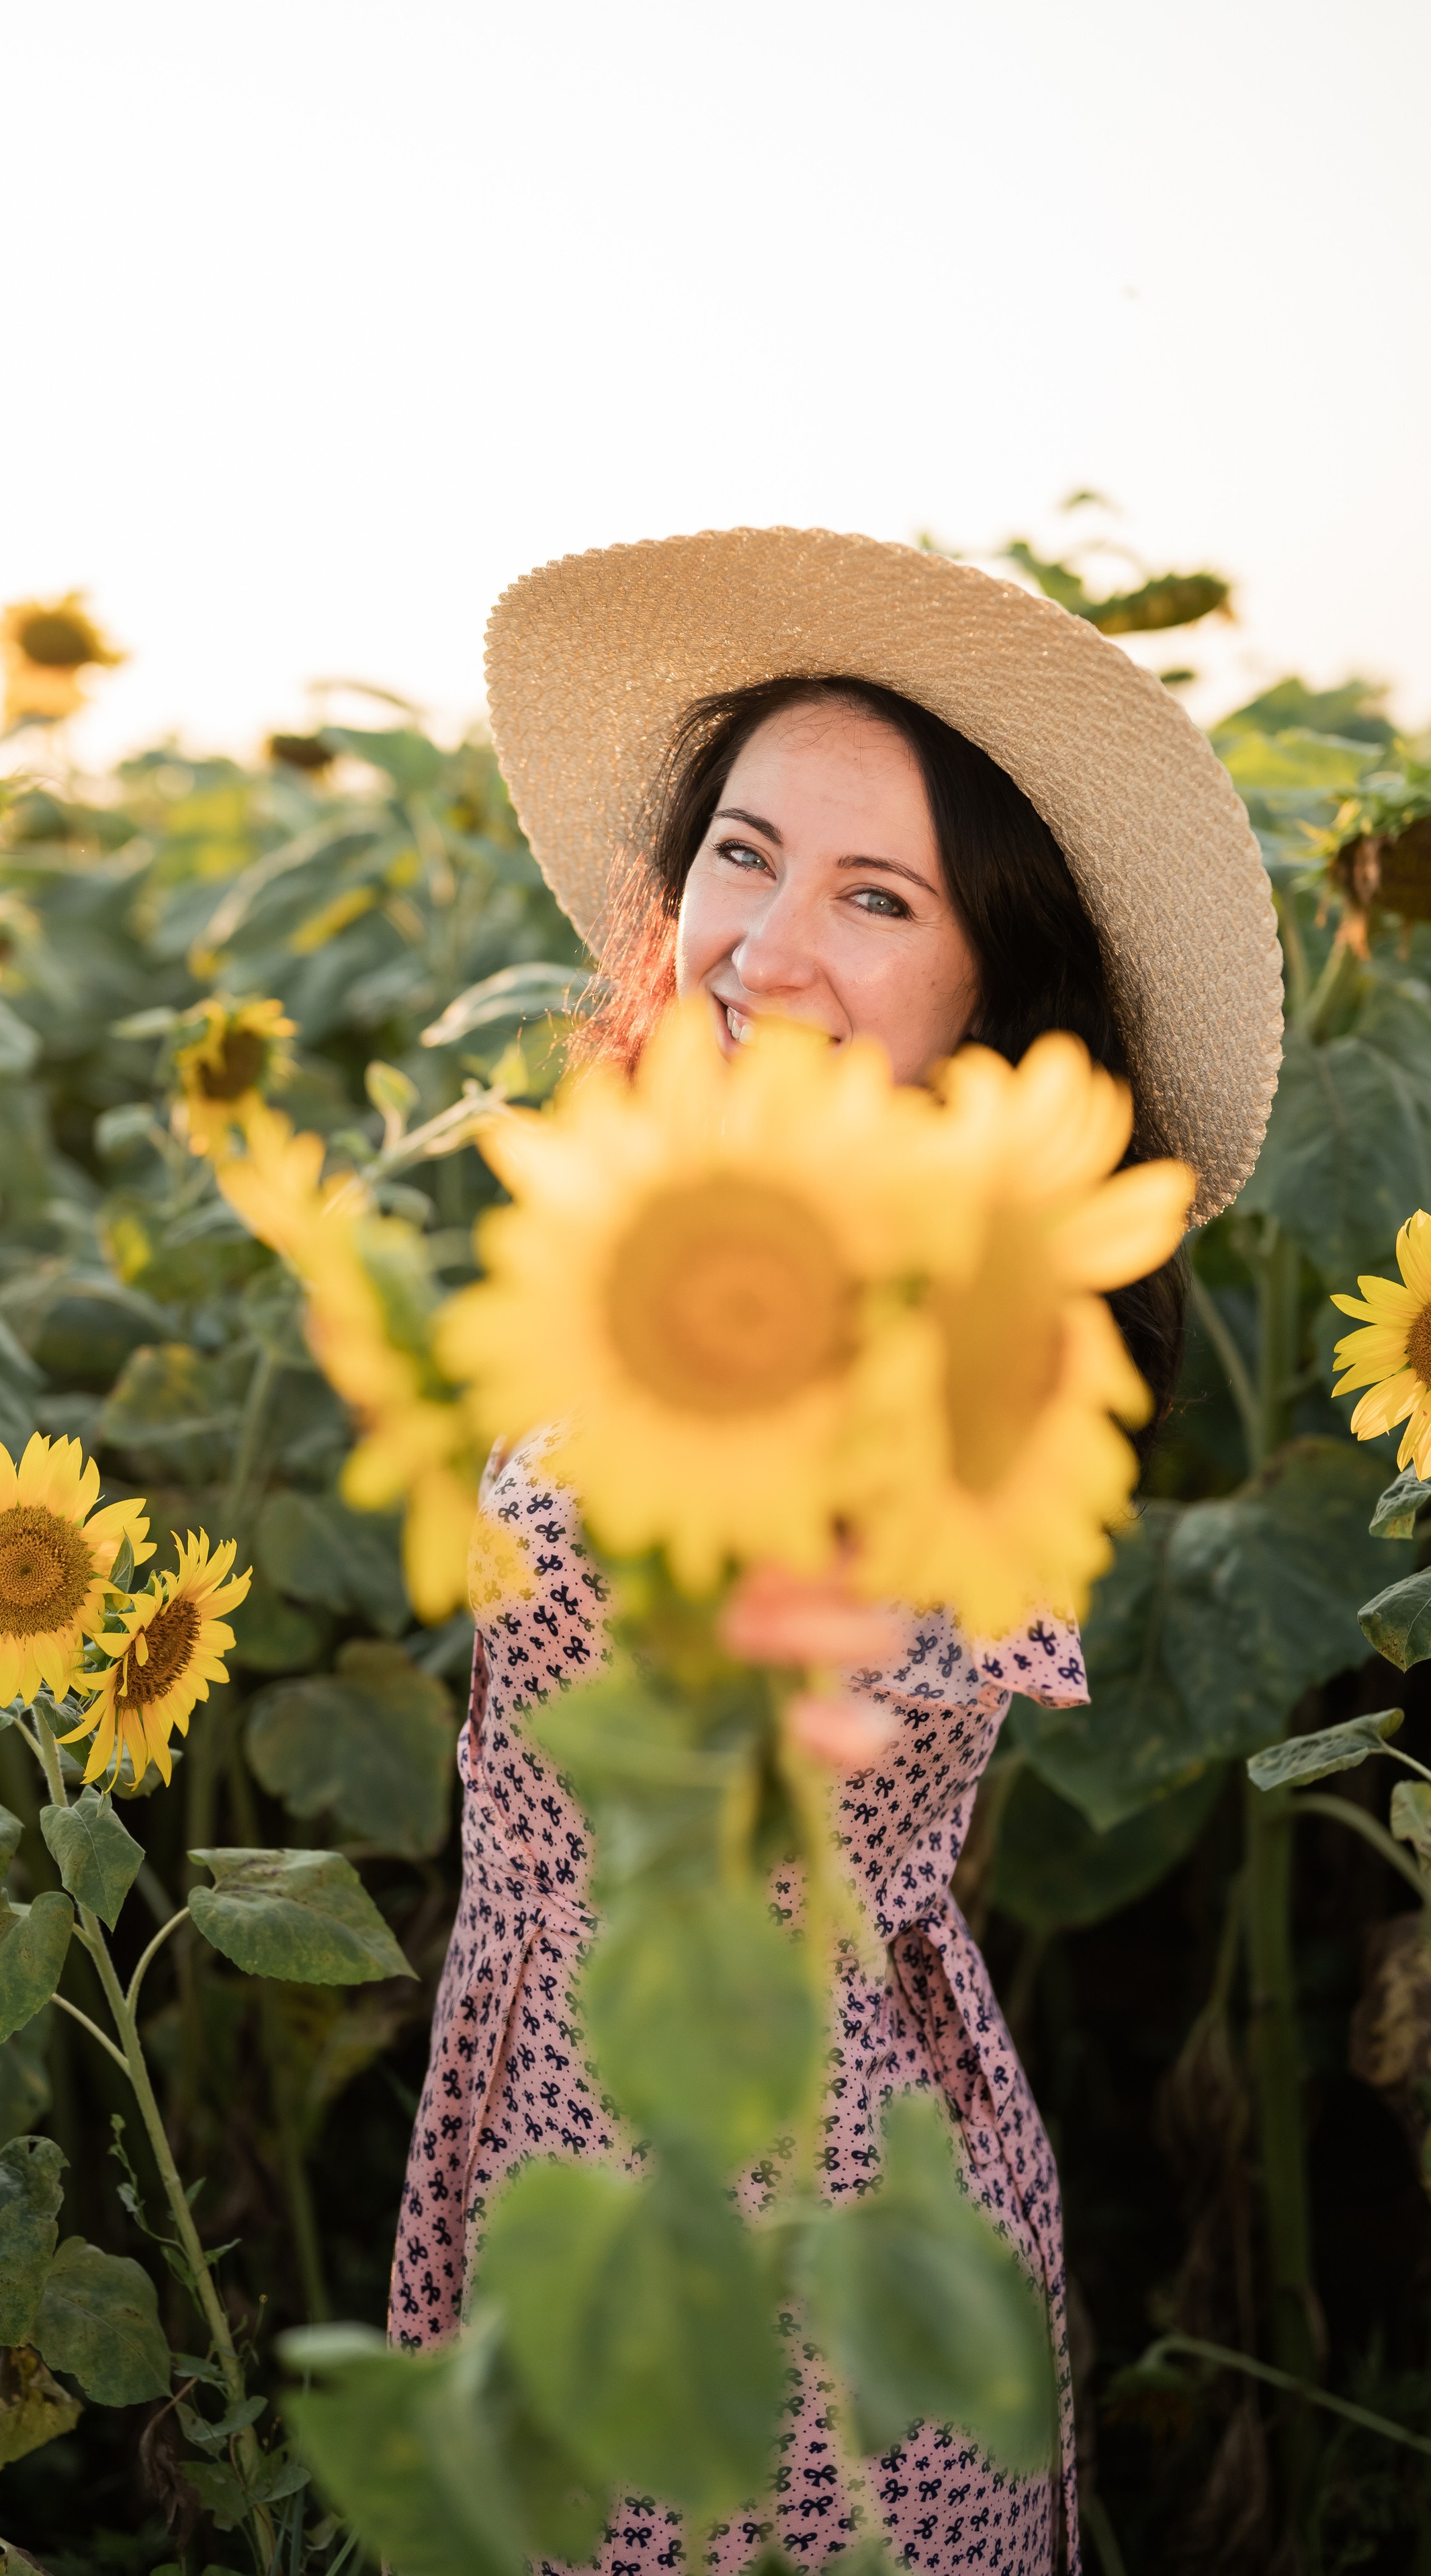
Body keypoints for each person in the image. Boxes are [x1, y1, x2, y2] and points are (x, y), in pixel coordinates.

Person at [388, 529, 1283, 2574]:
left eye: (878, 898)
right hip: (562, 2124)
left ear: (995, 991)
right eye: (743, 852)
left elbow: (851, 1664)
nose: (762, 945)